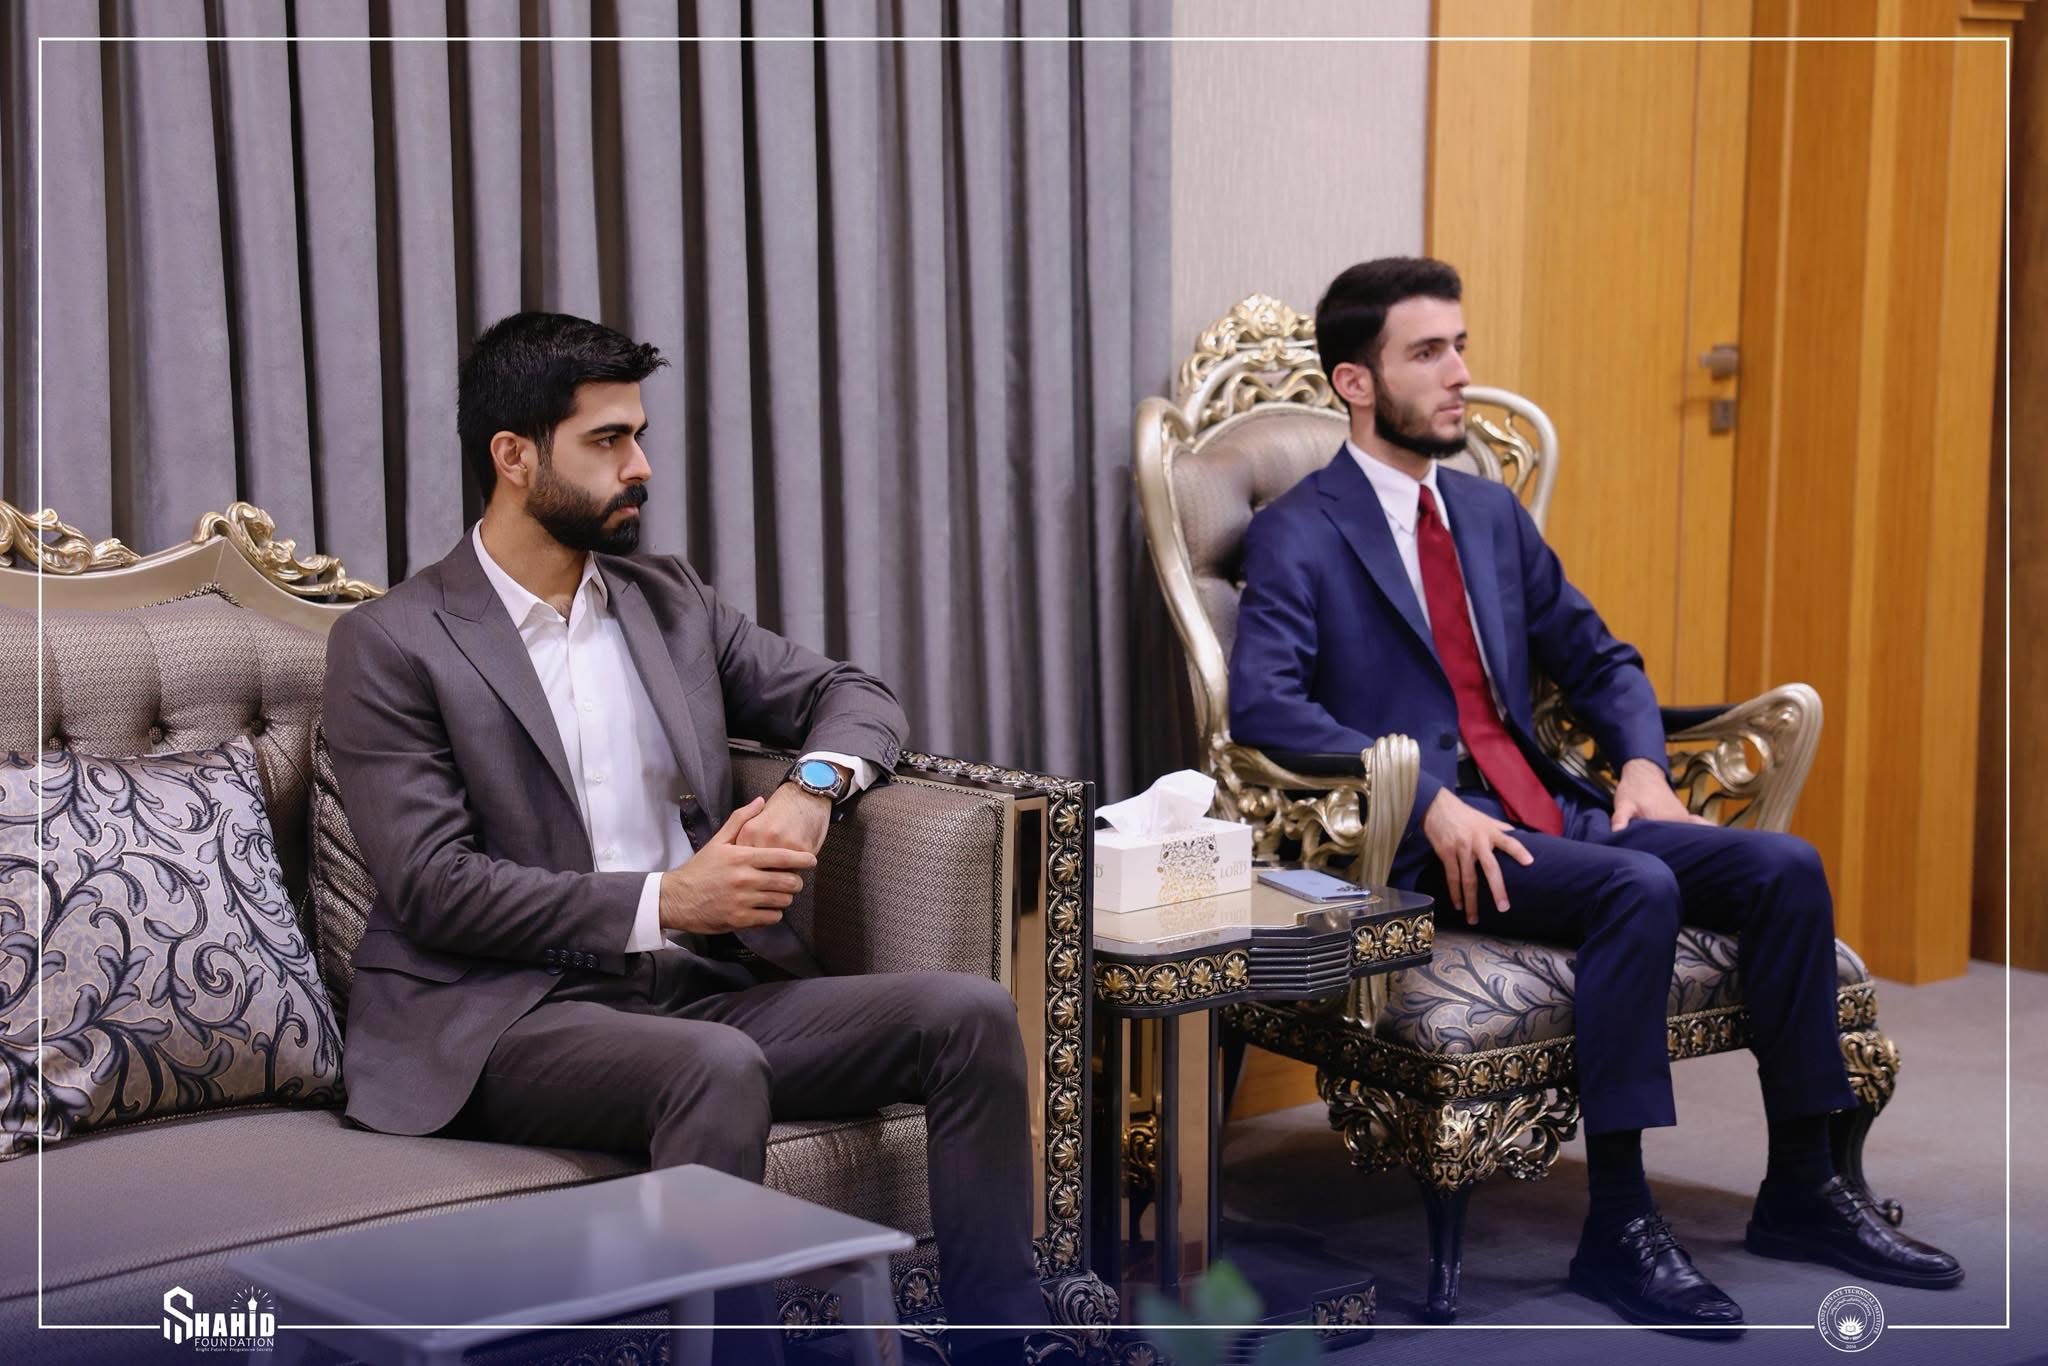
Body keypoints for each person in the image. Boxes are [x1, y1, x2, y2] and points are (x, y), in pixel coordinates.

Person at [1227, 258, 1962, 1331]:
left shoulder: (1487, 514)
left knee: (1784, 868)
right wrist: (1423, 796)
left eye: (1461, 346)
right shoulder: (1299, 528)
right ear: (1355, 381)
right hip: (1434, 846)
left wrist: (1644, 769)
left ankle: (1804, 1185)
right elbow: (1265, 707)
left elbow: (1601, 658)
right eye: (1427, 353)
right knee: (1635, 891)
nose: (1459, 374)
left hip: (1553, 811)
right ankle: (1619, 1224)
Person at [323, 311, 1045, 1365]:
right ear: (514, 457)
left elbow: (856, 695)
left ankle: (1002, 1348)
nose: (641, 467)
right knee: (711, 1066)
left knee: (967, 1014)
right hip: (503, 1014)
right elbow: (433, 884)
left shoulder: (668, 602)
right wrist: (669, 901)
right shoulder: (392, 641)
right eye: (607, 441)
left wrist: (809, 790)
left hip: (694, 987)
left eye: (639, 435)